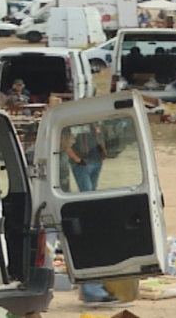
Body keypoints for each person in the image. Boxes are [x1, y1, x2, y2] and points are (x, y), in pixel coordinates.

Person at [62, 127, 116, 304]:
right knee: (89, 205)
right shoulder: (73, 124)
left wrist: (102, 153)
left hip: (92, 160)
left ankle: (92, 290)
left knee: (91, 200)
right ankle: (91, 291)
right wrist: (77, 159)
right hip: (82, 163)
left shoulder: (93, 123)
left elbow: (99, 135)